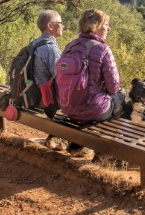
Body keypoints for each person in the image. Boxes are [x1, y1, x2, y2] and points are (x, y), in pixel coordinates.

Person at [62, 8, 126, 156]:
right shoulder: (102, 49)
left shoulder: (70, 46)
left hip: (67, 107)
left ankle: (77, 146)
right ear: (94, 26)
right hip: (92, 110)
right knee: (121, 95)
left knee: (93, 101)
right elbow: (113, 88)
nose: (108, 28)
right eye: (106, 24)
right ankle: (104, 155)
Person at [34, 10, 67, 150]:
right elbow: (61, 77)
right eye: (60, 23)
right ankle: (77, 144)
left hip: (33, 94)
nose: (63, 26)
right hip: (45, 100)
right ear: (50, 26)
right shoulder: (50, 49)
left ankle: (56, 138)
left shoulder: (36, 43)